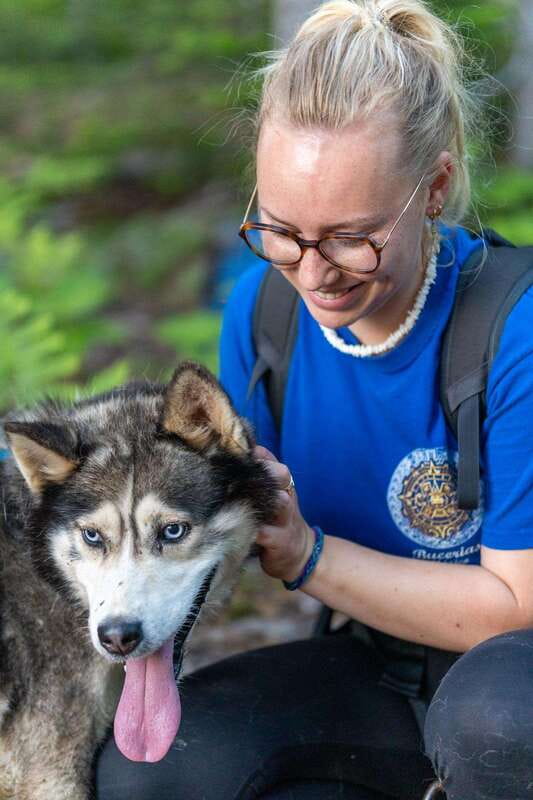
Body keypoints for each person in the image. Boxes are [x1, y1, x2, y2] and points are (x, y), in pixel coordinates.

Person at [95, 1, 533, 798]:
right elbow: (207, 509)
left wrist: (307, 555)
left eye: (350, 236)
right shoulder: (264, 317)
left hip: (512, 687)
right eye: (280, 228)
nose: (312, 270)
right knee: (148, 773)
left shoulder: (513, 329)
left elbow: (515, 608)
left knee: (495, 726)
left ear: (432, 188)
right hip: (373, 668)